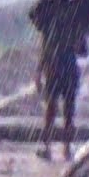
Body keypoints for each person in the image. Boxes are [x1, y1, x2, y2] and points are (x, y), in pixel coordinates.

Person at [36, 23, 83, 161]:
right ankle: (67, 148)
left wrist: (39, 71)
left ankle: (47, 147)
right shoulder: (74, 26)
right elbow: (83, 50)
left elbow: (44, 51)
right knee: (68, 110)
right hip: (69, 71)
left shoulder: (48, 27)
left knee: (51, 109)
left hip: (53, 70)